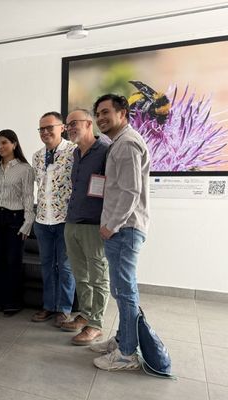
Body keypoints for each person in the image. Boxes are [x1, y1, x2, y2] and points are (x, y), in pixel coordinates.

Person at [90, 94, 150, 371]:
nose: (100, 118)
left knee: (124, 291)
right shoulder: (119, 142)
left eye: (106, 112)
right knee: (120, 289)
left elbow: (130, 191)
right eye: (98, 113)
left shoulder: (126, 144)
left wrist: (111, 225)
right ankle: (122, 339)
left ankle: (127, 354)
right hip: (121, 229)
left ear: (123, 113)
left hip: (124, 229)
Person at [60, 109, 112, 345]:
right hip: (72, 222)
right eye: (68, 125)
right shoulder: (75, 153)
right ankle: (85, 314)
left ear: (89, 123)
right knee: (80, 275)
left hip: (94, 224)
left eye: (74, 123)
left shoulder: (106, 150)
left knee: (98, 276)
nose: (70, 128)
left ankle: (96, 324)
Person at [31, 112, 77, 327]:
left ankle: (64, 309)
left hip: (65, 220)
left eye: (50, 127)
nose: (45, 132)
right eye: (41, 129)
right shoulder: (37, 156)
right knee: (47, 266)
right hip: (42, 220)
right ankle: (49, 306)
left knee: (66, 268)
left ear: (62, 128)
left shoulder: (74, 151)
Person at [0, 129, 35, 317]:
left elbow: (28, 197)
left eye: (4, 142)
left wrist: (27, 223)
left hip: (15, 218)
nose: (1, 147)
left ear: (14, 144)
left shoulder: (25, 169)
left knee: (12, 261)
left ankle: (12, 302)